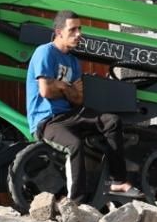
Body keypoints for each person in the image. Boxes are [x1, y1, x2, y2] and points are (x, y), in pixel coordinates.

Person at [25, 10, 134, 202]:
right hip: (47, 121)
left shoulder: (73, 61)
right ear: (59, 32)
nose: (79, 34)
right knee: (74, 144)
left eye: (79, 29)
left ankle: (118, 180)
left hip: (70, 114)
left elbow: (77, 99)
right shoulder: (45, 52)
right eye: (73, 30)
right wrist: (68, 88)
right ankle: (76, 203)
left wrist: (61, 86)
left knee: (112, 121)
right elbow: (46, 91)